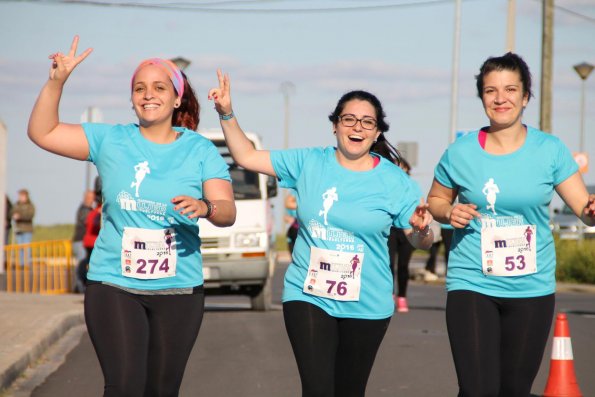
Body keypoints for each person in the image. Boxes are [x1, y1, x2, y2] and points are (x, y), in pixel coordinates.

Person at [27, 36, 236, 396]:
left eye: (158, 87)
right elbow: (42, 132)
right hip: (114, 284)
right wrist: (56, 81)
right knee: (124, 386)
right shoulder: (111, 140)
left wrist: (205, 207)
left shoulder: (199, 149)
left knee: (161, 390)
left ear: (176, 98)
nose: (148, 94)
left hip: (179, 289)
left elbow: (227, 210)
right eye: (139, 88)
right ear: (131, 98)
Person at [209, 70, 434, 397]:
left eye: (367, 122)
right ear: (335, 125)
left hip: (367, 302)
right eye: (349, 119)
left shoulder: (393, 181)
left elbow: (420, 239)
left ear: (377, 132)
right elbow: (246, 156)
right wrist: (226, 113)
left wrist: (422, 229)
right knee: (317, 389)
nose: (357, 127)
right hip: (309, 294)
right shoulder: (308, 162)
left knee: (349, 390)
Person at [427, 52, 595, 397]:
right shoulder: (460, 152)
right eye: (491, 91)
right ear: (482, 97)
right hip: (472, 281)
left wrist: (592, 210)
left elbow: (582, 206)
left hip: (531, 286)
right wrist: (448, 213)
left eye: (510, 89)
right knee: (477, 388)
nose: (500, 98)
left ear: (525, 96)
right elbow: (436, 200)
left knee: (514, 389)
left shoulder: (550, 150)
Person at [387, 157, 421, 313]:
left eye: (403, 168)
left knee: (403, 266)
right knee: (389, 264)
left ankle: (402, 296)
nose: (400, 171)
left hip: (408, 229)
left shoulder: (413, 186)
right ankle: (389, 295)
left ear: (408, 170)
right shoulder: (388, 185)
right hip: (391, 229)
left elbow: (420, 204)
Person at [10, 189, 35, 265]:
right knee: (20, 247)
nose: (21, 197)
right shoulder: (16, 205)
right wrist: (13, 215)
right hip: (18, 229)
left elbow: (30, 215)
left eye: (22, 196)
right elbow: (11, 213)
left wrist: (20, 216)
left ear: (26, 196)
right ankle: (21, 264)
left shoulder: (30, 206)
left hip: (27, 229)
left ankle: (26, 263)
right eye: (20, 196)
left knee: (26, 247)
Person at [72, 189, 95, 265]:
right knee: (81, 266)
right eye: (91, 198)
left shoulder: (88, 209)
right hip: (80, 242)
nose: (92, 200)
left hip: (82, 242)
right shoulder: (84, 210)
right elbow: (87, 221)